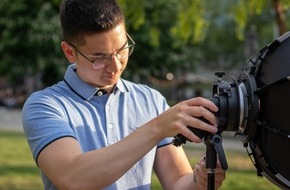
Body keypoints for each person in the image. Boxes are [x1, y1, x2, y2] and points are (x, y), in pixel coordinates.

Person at [22, 0, 226, 189]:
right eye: (99, 57)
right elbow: (72, 177)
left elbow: (177, 182)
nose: (116, 65)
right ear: (69, 52)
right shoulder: (45, 105)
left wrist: (199, 180)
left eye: (121, 49)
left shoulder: (150, 100)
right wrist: (157, 127)